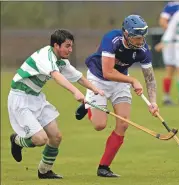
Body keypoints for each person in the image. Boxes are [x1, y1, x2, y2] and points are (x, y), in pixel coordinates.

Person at [8, 29, 104, 179]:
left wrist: (94, 88)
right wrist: (75, 92)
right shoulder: (45, 56)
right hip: (20, 98)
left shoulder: (61, 61)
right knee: (40, 139)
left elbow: (77, 76)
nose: (70, 50)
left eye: (71, 46)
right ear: (56, 45)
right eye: (67, 46)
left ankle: (44, 171)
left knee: (56, 137)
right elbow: (56, 76)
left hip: (36, 97)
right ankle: (16, 140)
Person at [75, 15, 159, 177]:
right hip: (98, 79)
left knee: (123, 124)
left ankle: (104, 167)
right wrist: (132, 80)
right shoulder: (112, 39)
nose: (140, 41)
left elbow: (150, 78)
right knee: (99, 125)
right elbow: (107, 72)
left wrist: (153, 102)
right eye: (136, 38)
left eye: (142, 37)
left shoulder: (143, 50)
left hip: (120, 82)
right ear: (126, 34)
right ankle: (88, 105)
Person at [155, 1, 179, 105]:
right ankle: (167, 97)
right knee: (171, 70)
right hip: (172, 44)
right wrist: (172, 33)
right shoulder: (172, 6)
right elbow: (163, 21)